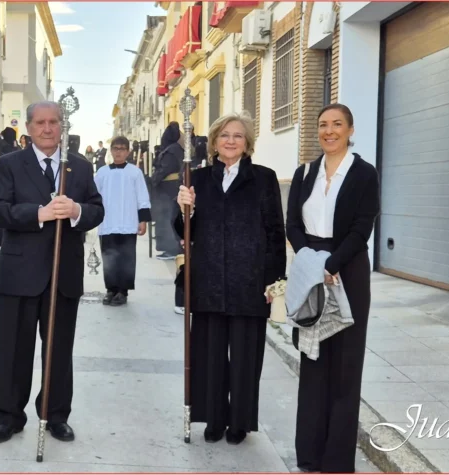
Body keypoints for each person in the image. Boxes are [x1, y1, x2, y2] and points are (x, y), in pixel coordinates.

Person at [0, 100, 104, 444]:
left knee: (58, 349)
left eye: (54, 122)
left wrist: (77, 210)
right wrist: (39, 213)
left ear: (62, 126)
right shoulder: (9, 164)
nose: (48, 128)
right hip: (18, 273)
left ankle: (55, 415)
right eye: (40, 122)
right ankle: (9, 416)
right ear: (28, 127)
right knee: (12, 350)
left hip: (63, 274)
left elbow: (97, 210)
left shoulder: (79, 167)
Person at [175, 112, 286, 444]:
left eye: (238, 135)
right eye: (224, 135)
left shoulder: (264, 179)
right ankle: (213, 418)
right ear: (213, 142)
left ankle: (239, 421)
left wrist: (274, 283)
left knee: (244, 357)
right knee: (208, 355)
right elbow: (181, 232)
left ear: (248, 143)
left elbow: (275, 233)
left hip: (249, 282)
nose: (231, 140)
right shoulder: (197, 178)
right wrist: (186, 210)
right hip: (208, 278)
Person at [287, 103, 379, 473]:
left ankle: (337, 460)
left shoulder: (364, 173)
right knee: (313, 363)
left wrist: (334, 263)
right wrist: (313, 263)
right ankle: (309, 454)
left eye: (337, 124)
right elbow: (292, 223)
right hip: (311, 269)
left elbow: (363, 225)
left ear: (350, 130)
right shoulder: (305, 172)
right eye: (323, 124)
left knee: (345, 365)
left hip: (349, 271)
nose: (329, 131)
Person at [94, 136, 151, 306]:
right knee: (109, 258)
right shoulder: (102, 172)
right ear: (111, 150)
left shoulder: (135, 172)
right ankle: (111, 289)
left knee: (126, 258)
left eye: (122, 149)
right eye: (116, 148)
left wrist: (143, 220)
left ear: (128, 152)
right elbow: (94, 195)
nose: (118, 152)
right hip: (108, 222)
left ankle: (123, 291)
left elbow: (142, 196)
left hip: (128, 222)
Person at [152, 122, 184, 260]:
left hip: (169, 189)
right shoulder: (174, 148)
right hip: (170, 189)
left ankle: (172, 249)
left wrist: (153, 180)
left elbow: (166, 169)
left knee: (168, 217)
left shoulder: (172, 151)